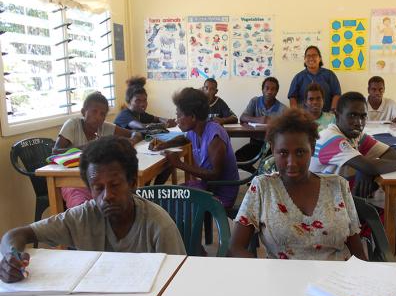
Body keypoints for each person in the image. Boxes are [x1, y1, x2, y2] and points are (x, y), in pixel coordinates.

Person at [0, 136, 186, 283]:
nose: (107, 195)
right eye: (98, 188)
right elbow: (15, 235)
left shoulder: (158, 225)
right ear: (89, 189)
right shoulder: (83, 217)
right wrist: (11, 257)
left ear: (131, 183)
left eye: (115, 185)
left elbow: (178, 281)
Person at [229, 109, 366, 261]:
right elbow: (236, 247)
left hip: (336, 280)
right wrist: (262, 274)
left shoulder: (338, 186)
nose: (292, 163)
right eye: (283, 153)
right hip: (282, 280)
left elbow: (358, 254)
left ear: (312, 149)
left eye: (300, 152)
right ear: (273, 150)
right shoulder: (263, 187)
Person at [310, 92, 396, 252]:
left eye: (363, 116)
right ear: (337, 114)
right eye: (352, 115)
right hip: (322, 209)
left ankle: (376, 267)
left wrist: (366, 170)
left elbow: (391, 154)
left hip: (344, 202)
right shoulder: (332, 139)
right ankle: (373, 265)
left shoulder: (357, 136)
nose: (358, 122)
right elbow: (377, 165)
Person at [149, 87, 239, 208]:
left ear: (192, 117)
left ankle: (184, 226)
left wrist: (179, 164)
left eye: (179, 115)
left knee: (168, 203)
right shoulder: (196, 130)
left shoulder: (215, 136)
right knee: (167, 194)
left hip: (221, 195)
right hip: (208, 187)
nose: (177, 120)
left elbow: (214, 175)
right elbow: (184, 138)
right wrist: (165, 143)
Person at [53, 92, 143, 208]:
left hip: (98, 179)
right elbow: (55, 151)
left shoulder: (105, 127)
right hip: (72, 180)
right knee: (80, 205)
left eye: (102, 114)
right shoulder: (73, 125)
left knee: (121, 192)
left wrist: (132, 141)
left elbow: (136, 133)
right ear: (83, 112)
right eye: (94, 112)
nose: (98, 117)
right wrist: (86, 147)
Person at [236, 77, 287, 172]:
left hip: (273, 145)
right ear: (262, 89)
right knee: (237, 159)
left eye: (273, 89)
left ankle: (261, 176)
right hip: (255, 142)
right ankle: (256, 176)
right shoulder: (255, 101)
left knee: (269, 166)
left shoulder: (282, 109)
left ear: (276, 92)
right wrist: (259, 119)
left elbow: (288, 127)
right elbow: (242, 117)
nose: (269, 91)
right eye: (267, 88)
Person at [288, 46, 341, 112]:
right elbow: (292, 97)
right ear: (304, 59)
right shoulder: (298, 77)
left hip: (326, 116)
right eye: (308, 56)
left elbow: (337, 94)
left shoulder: (329, 75)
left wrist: (332, 112)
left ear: (320, 58)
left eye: (314, 55)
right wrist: (296, 115)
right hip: (305, 118)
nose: (311, 58)